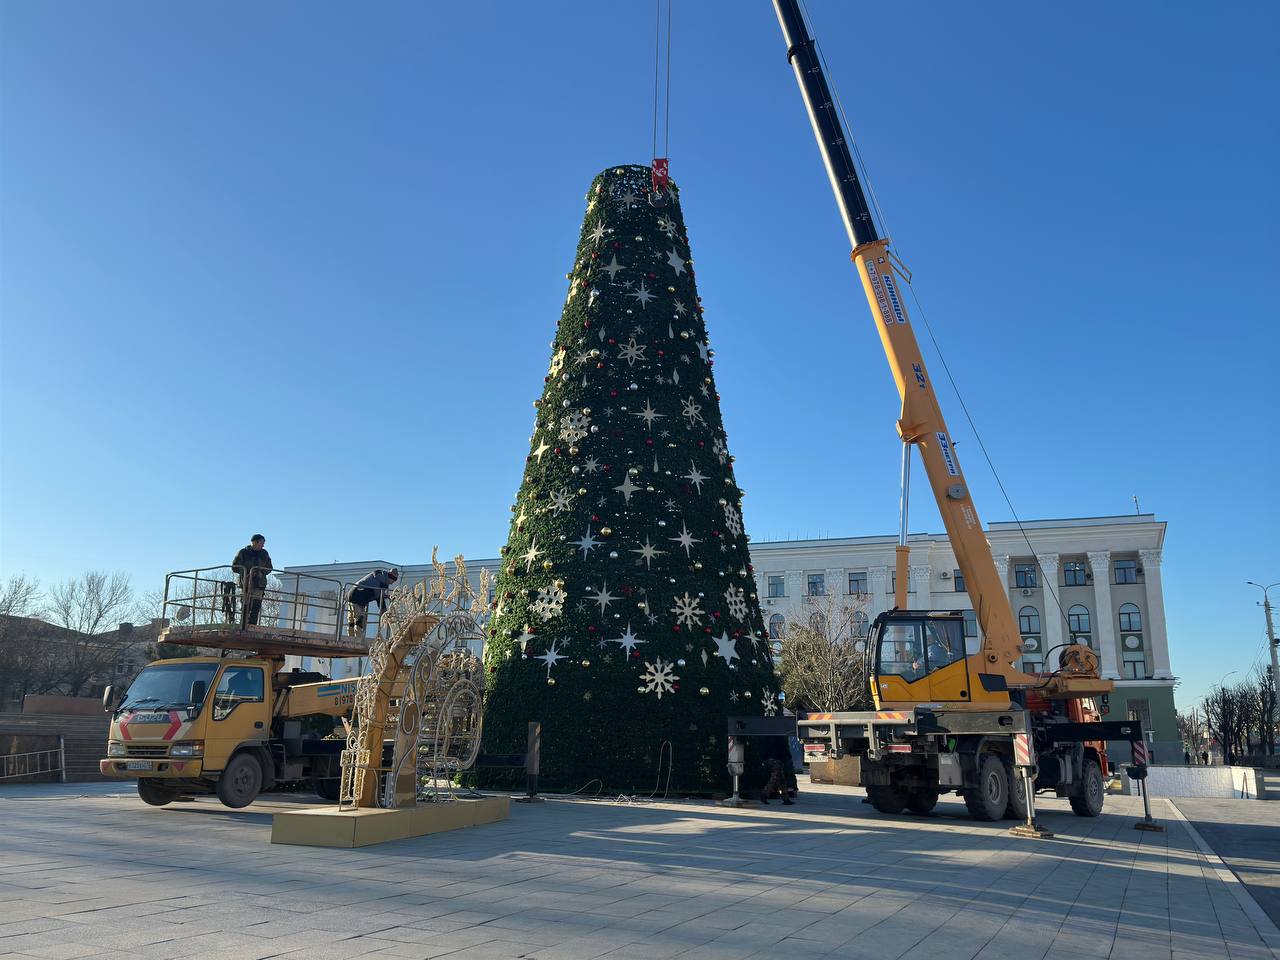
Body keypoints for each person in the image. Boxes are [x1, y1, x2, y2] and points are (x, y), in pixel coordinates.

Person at [231, 534, 272, 627]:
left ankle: (252, 625)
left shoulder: (264, 554)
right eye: (261, 543)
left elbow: (269, 568)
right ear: (255, 542)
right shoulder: (243, 552)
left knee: (256, 605)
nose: (263, 545)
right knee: (246, 605)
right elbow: (235, 567)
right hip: (246, 584)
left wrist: (261, 572)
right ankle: (244, 625)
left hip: (259, 584)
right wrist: (247, 571)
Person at [346, 568, 399, 637]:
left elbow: (378, 595)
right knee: (359, 620)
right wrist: (385, 613)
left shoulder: (380, 576)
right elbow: (379, 598)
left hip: (352, 594)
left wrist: (387, 596)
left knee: (351, 621)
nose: (392, 583)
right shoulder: (381, 582)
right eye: (393, 580)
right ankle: (357, 640)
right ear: (390, 577)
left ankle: (350, 637)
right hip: (358, 597)